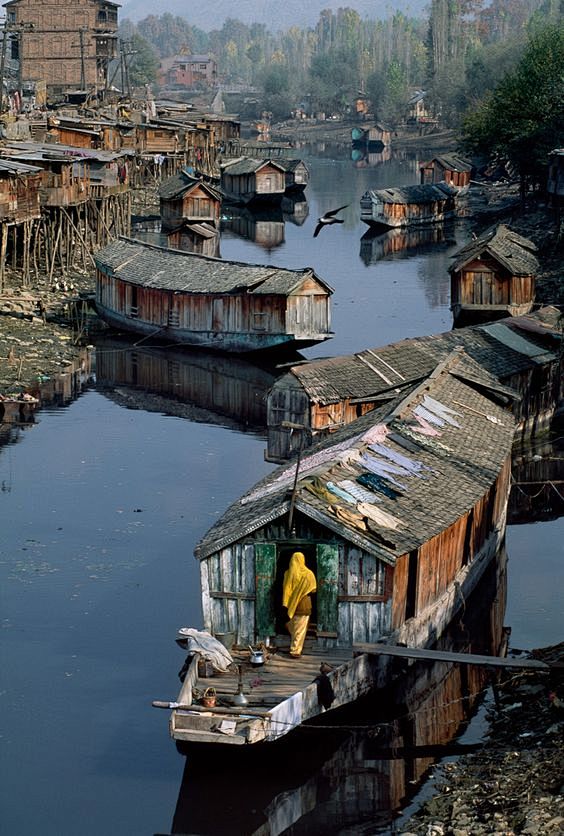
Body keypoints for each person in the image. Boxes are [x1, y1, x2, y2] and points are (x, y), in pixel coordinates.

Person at [282, 551, 316, 658]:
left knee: (295, 626)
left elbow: (286, 589)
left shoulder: (288, 573)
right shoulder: (308, 573)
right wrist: (303, 590)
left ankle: (295, 646)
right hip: (304, 604)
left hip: (292, 604)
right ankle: (295, 651)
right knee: (300, 629)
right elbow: (313, 589)